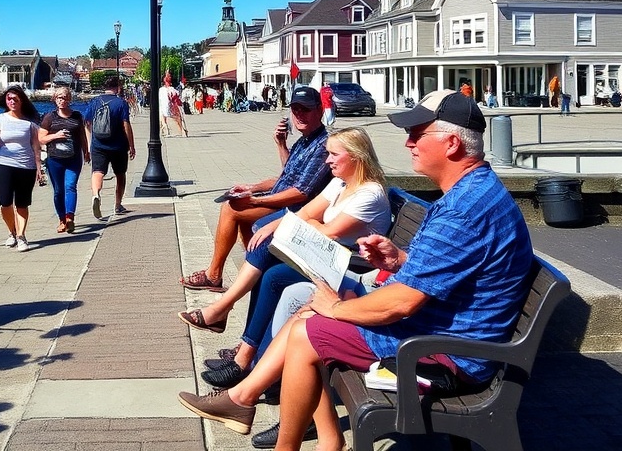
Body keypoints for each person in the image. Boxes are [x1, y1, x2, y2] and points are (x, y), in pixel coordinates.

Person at [177, 90, 535, 449]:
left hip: (447, 351)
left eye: (416, 134)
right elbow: (460, 269)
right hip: (444, 329)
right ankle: (268, 410)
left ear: (452, 143)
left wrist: (336, 308)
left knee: (307, 331)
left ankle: (271, 424)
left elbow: (401, 304)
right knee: (307, 312)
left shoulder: (462, 209)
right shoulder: (474, 194)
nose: (408, 143)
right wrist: (399, 260)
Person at [179, 128, 392, 379]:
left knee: (273, 276)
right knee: (266, 254)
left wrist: (306, 224)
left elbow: (328, 232)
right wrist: (273, 225)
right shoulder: (340, 183)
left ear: (356, 156)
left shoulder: (370, 193)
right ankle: (245, 352)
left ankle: (239, 343)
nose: (327, 161)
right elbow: (305, 214)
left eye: (334, 155)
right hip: (324, 257)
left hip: (348, 266)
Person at [179, 86, 331, 293]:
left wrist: (256, 200)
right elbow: (286, 175)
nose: (299, 115)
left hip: (297, 209)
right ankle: (252, 273)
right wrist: (253, 186)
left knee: (232, 209)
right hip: (284, 200)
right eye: (295, 110)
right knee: (239, 210)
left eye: (305, 109)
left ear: (319, 111)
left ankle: (215, 275)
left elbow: (301, 192)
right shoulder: (305, 142)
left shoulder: (322, 145)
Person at [0, 85, 44, 252]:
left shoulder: (29, 122)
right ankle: (11, 232)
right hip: (3, 165)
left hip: (26, 167)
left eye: (15, 99)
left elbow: (36, 146)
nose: (12, 101)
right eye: (9, 98)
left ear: (21, 101)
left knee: (22, 203)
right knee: (5, 203)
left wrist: (39, 168)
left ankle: (21, 236)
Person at [38, 86, 89, 234]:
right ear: (55, 99)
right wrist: (56, 136)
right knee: (58, 191)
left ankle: (69, 218)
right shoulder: (49, 117)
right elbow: (41, 139)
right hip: (55, 159)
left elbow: (82, 135)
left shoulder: (77, 116)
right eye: (59, 97)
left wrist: (86, 151)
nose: (62, 100)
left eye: (65, 97)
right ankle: (61, 220)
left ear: (69, 99)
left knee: (71, 186)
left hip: (74, 158)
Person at [83, 74, 135, 218]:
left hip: (98, 145)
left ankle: (96, 195)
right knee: (120, 175)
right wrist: (131, 145)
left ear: (105, 87)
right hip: (118, 146)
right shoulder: (121, 103)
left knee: (98, 171)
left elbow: (87, 124)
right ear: (117, 87)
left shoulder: (94, 101)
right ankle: (118, 205)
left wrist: (89, 144)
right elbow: (126, 125)